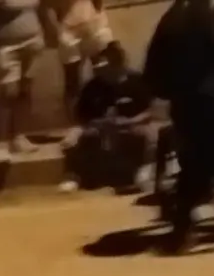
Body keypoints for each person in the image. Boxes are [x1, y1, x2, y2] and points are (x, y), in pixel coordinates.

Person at [143, 0, 214, 254]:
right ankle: (182, 224)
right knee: (201, 163)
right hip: (209, 97)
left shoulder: (175, 12)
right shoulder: (211, 9)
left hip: (186, 101)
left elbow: (154, 63)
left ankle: (182, 223)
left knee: (195, 163)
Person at [65, 43, 153, 192]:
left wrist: (128, 121)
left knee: (143, 134)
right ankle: (74, 176)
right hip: (99, 127)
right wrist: (97, 124)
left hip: (131, 125)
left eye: (106, 67)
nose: (100, 71)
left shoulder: (137, 82)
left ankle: (139, 173)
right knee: (77, 137)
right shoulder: (92, 87)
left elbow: (150, 112)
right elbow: (82, 116)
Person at [0, 0, 45, 163]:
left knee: (25, 89)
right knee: (8, 93)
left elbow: (40, 9)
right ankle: (1, 144)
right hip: (6, 47)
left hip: (33, 41)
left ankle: (19, 136)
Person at [44, 0, 117, 138]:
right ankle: (75, 124)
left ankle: (103, 117)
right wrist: (57, 30)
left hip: (93, 23)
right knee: (72, 80)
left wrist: (98, 14)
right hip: (68, 28)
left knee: (104, 72)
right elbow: (48, 6)